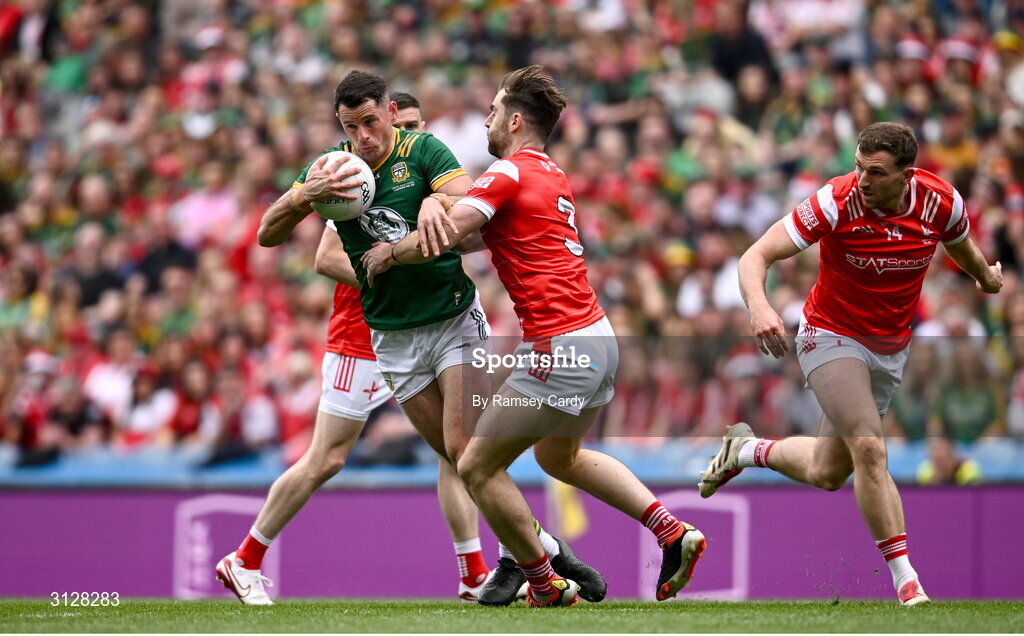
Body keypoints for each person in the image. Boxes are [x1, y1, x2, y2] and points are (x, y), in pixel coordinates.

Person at [223, 73, 602, 606]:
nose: (363, 136)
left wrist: (433, 204)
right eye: (351, 126)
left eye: (371, 122)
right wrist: (303, 196)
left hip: (451, 320)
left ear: (389, 110)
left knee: (465, 453)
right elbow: (268, 233)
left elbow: (466, 205)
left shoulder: (422, 149)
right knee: (455, 457)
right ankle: (530, 551)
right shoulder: (333, 170)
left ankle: (530, 571)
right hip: (390, 337)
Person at [362, 65, 707, 607]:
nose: (487, 118)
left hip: (558, 346)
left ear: (516, 119)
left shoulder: (508, 172)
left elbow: (450, 234)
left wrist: (390, 249)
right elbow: (475, 235)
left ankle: (544, 583)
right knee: (559, 458)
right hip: (598, 338)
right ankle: (670, 530)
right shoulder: (551, 172)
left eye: (495, 110)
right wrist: (435, 201)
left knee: (475, 464)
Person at [702, 122, 1003, 606]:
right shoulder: (835, 200)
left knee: (827, 471)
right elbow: (754, 256)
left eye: (876, 172)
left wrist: (986, 277)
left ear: (907, 175)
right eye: (858, 166)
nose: (862, 179)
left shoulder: (940, 202)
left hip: (890, 348)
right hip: (829, 334)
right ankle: (908, 583)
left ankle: (746, 450)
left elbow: (960, 245)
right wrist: (760, 307)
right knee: (870, 447)